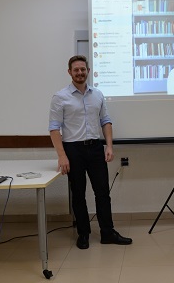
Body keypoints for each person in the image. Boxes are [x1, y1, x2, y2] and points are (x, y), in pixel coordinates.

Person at [49, 55, 132, 250]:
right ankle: (83, 234)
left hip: (95, 148)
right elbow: (54, 129)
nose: (80, 73)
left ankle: (107, 232)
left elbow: (106, 121)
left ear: (88, 71)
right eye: (76, 70)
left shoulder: (98, 95)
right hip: (73, 150)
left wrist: (109, 146)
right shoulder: (60, 97)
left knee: (102, 192)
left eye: (83, 69)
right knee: (78, 195)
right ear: (69, 72)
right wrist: (62, 155)